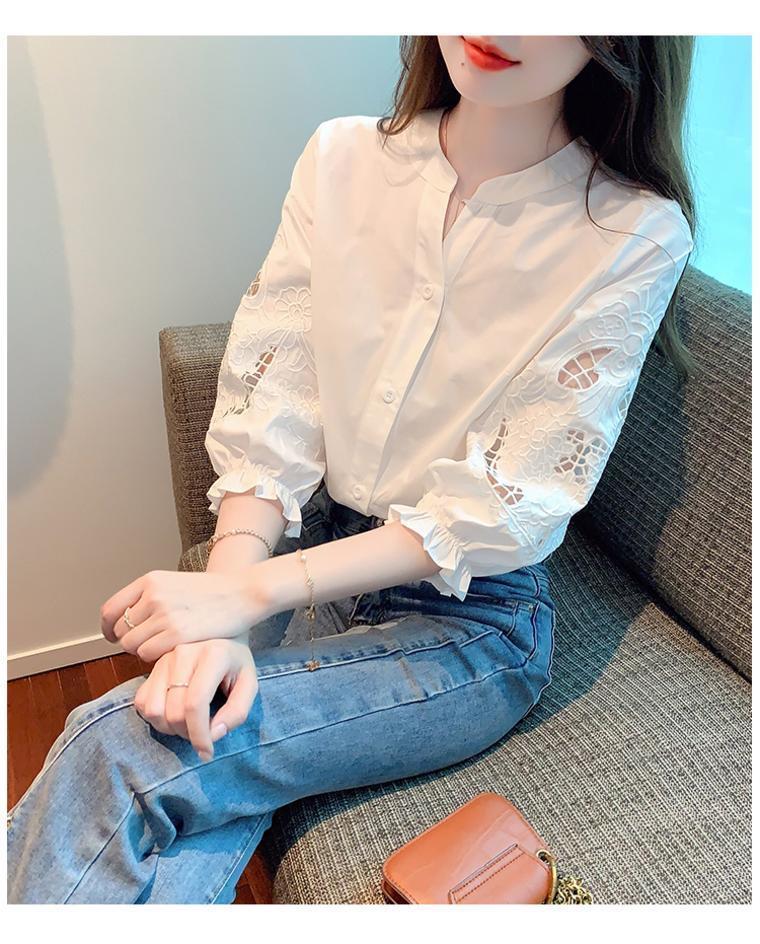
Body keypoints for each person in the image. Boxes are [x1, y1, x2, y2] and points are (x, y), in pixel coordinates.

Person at [7, 35, 696, 904]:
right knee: (185, 745)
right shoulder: (341, 157)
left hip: (470, 624)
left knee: (114, 743)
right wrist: (228, 600)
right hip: (313, 549)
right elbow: (279, 392)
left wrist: (248, 597)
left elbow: (508, 500)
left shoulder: (633, 230)